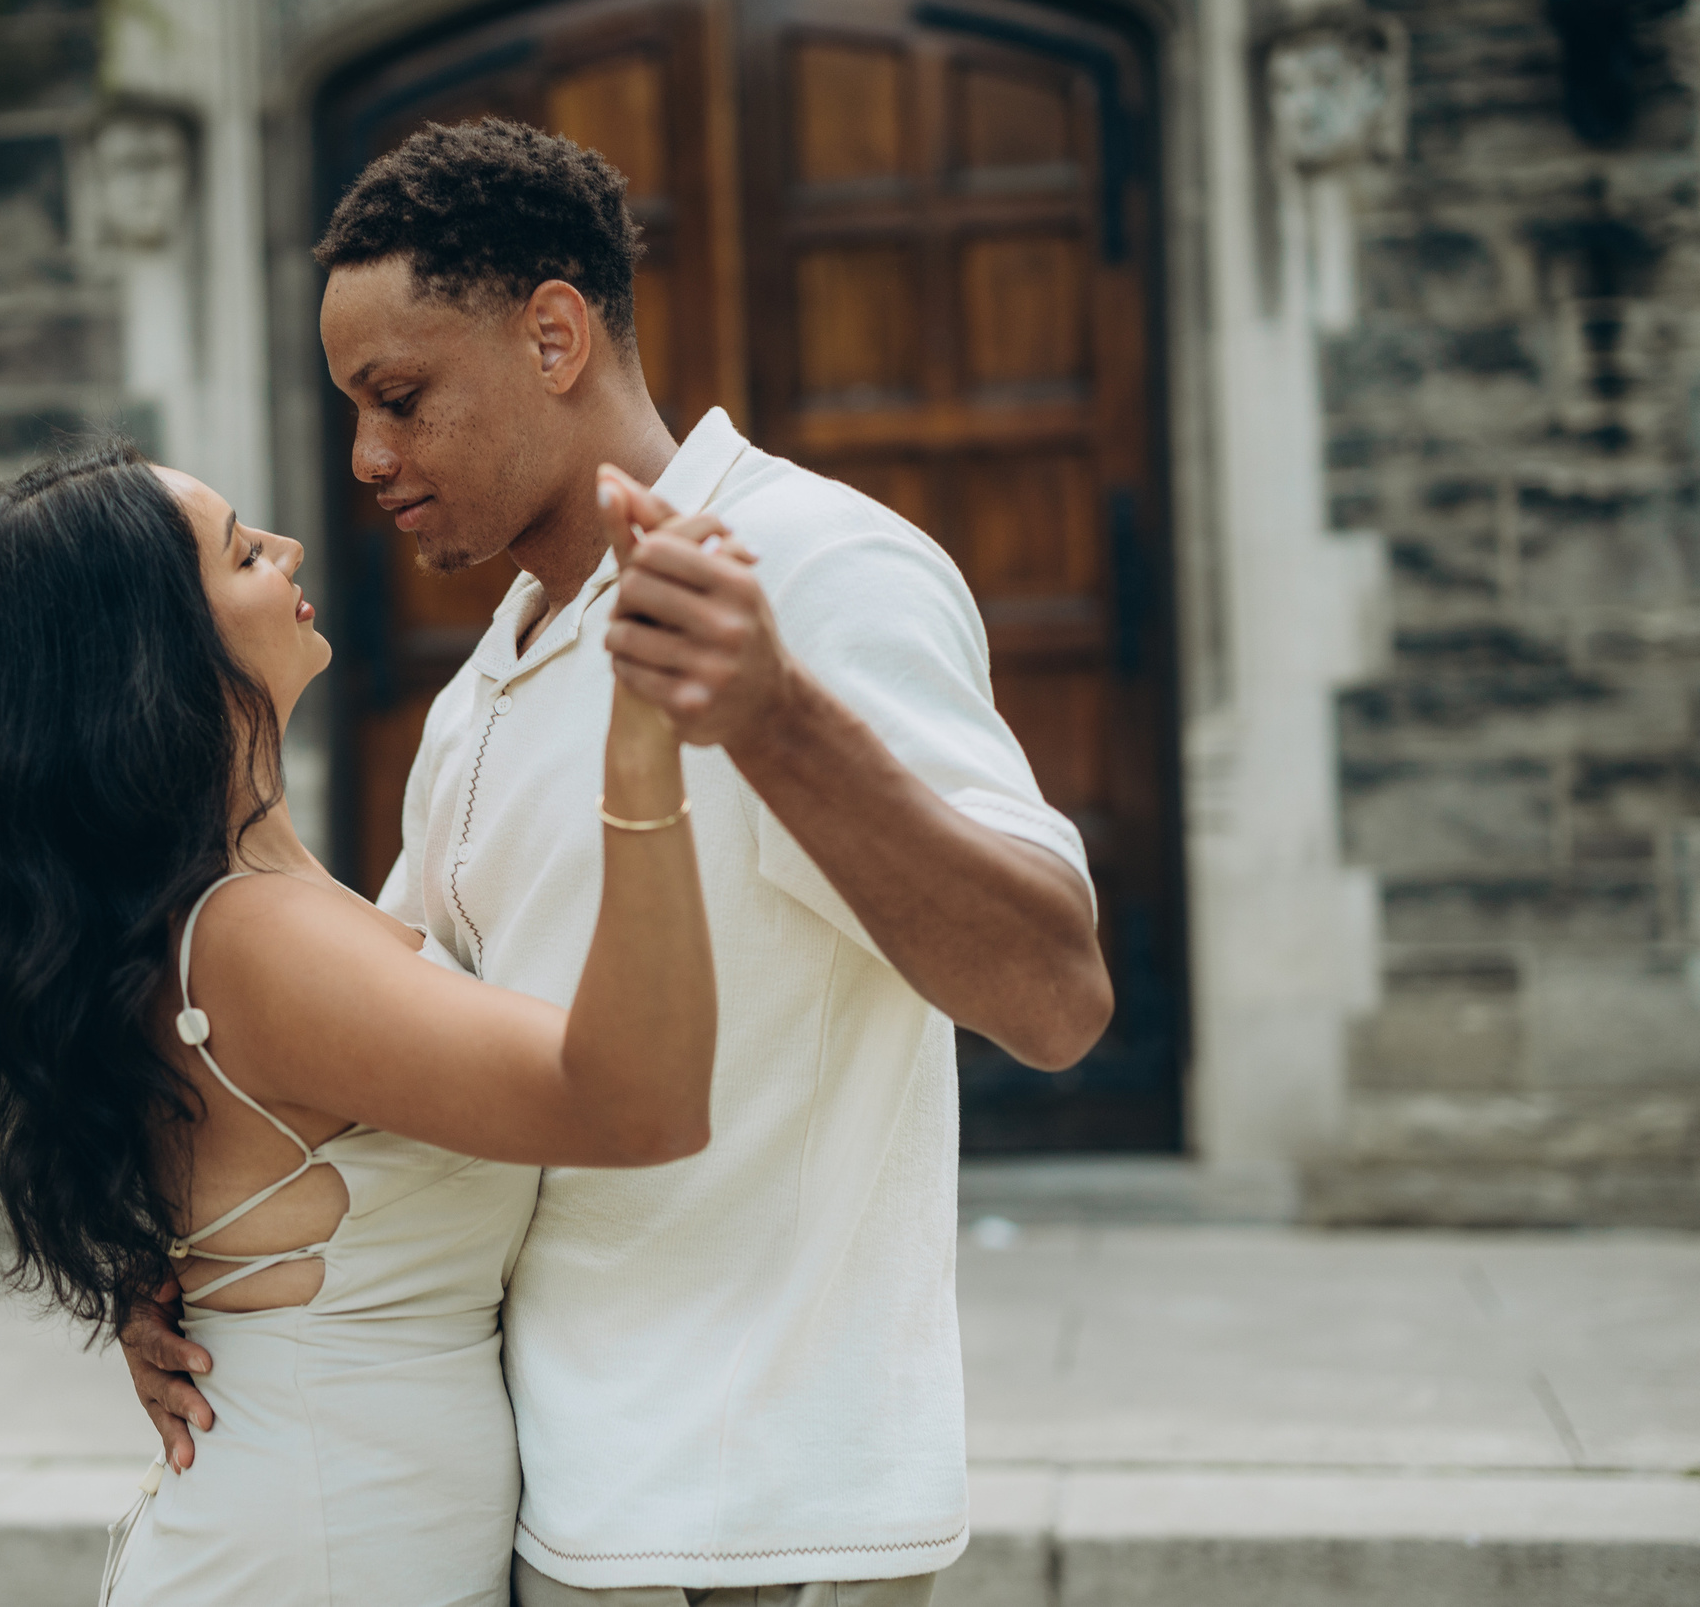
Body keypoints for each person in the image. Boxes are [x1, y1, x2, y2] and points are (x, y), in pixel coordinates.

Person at [121, 119, 1114, 1605]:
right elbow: (363, 1075)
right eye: (353, 408)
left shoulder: (815, 568)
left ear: (555, 334)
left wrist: (777, 719)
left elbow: (1054, 994)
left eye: (400, 397)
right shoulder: (481, 688)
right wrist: (185, 1264)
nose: (366, 459)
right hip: (554, 1499)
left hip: (752, 1522)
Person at [0, 438, 726, 1607]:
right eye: (242, 553)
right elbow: (635, 1103)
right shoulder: (251, 940)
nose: (289, 548)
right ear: (158, 655)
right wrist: (644, 753)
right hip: (313, 1555)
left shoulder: (213, 918)